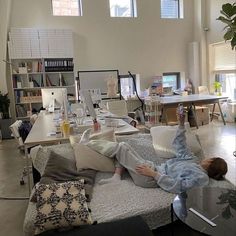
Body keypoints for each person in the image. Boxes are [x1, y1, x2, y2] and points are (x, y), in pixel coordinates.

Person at [80, 107, 228, 194]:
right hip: (152, 169)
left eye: (211, 158)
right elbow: (180, 144)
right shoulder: (193, 161)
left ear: (210, 162)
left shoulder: (201, 178)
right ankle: (116, 177)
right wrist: (181, 123)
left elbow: (179, 186)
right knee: (125, 146)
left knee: (121, 148)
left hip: (150, 178)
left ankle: (86, 144)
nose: (207, 158)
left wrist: (154, 174)